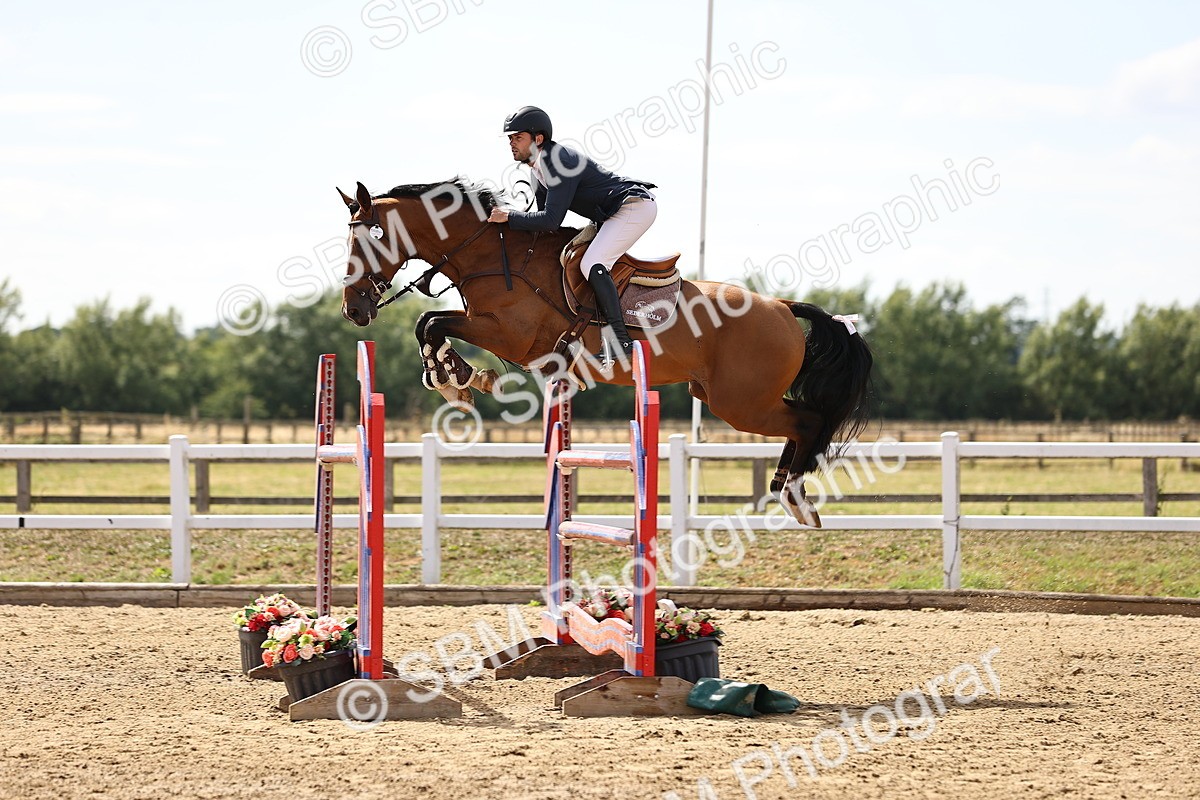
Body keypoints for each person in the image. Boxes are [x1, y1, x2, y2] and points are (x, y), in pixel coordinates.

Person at [487, 105, 657, 364]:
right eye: (510, 138)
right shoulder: (537, 170)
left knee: (593, 263)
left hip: (634, 207)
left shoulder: (557, 161)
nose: (511, 143)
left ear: (538, 138)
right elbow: (542, 226)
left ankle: (621, 340)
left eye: (518, 137)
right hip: (614, 213)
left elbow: (552, 221)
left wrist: (509, 217)